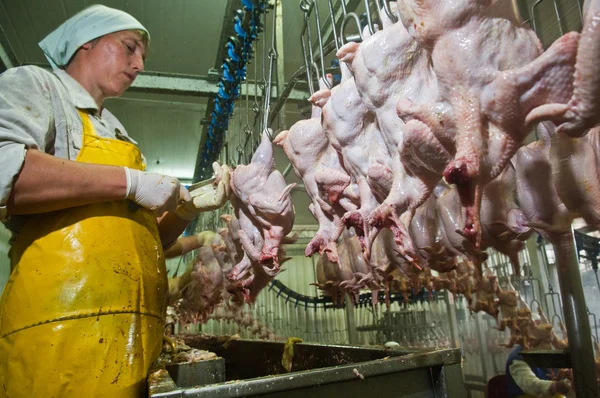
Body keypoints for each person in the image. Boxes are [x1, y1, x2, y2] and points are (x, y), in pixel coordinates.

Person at [0, 5, 229, 397]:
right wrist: (128, 181)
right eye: (130, 48)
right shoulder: (35, 85)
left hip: (133, 343)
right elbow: (7, 173)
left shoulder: (119, 134)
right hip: (60, 333)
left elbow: (139, 245)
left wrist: (186, 210)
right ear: (86, 41)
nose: (139, 64)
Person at [506, 344, 573, 398]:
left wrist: (570, 377)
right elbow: (532, 385)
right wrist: (559, 385)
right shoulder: (517, 358)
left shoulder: (548, 352)